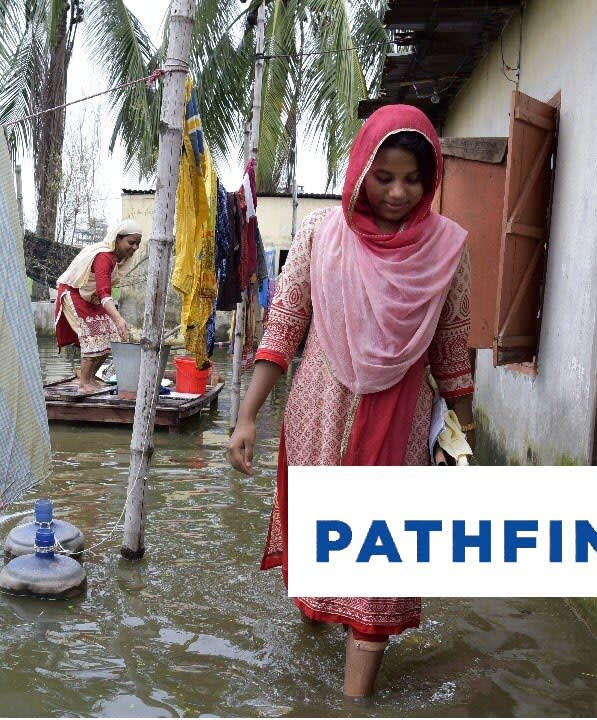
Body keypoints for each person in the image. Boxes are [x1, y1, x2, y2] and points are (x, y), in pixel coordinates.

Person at [226, 104, 476, 698]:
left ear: (431, 179)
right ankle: (314, 628)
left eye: (413, 179)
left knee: (380, 560)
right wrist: (246, 416)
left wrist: (463, 440)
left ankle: (352, 703)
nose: (398, 191)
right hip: (320, 407)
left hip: (402, 415)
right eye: (384, 176)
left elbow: (452, 350)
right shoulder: (320, 233)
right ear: (361, 169)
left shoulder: (448, 249)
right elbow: (285, 325)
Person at [54, 219, 143, 393]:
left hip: (90, 296)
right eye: (131, 243)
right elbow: (104, 292)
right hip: (74, 292)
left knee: (112, 335)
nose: (134, 248)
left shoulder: (118, 259)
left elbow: (102, 292)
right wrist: (118, 318)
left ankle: (90, 377)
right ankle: (84, 383)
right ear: (117, 239)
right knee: (93, 335)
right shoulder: (104, 257)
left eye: (137, 244)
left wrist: (116, 322)